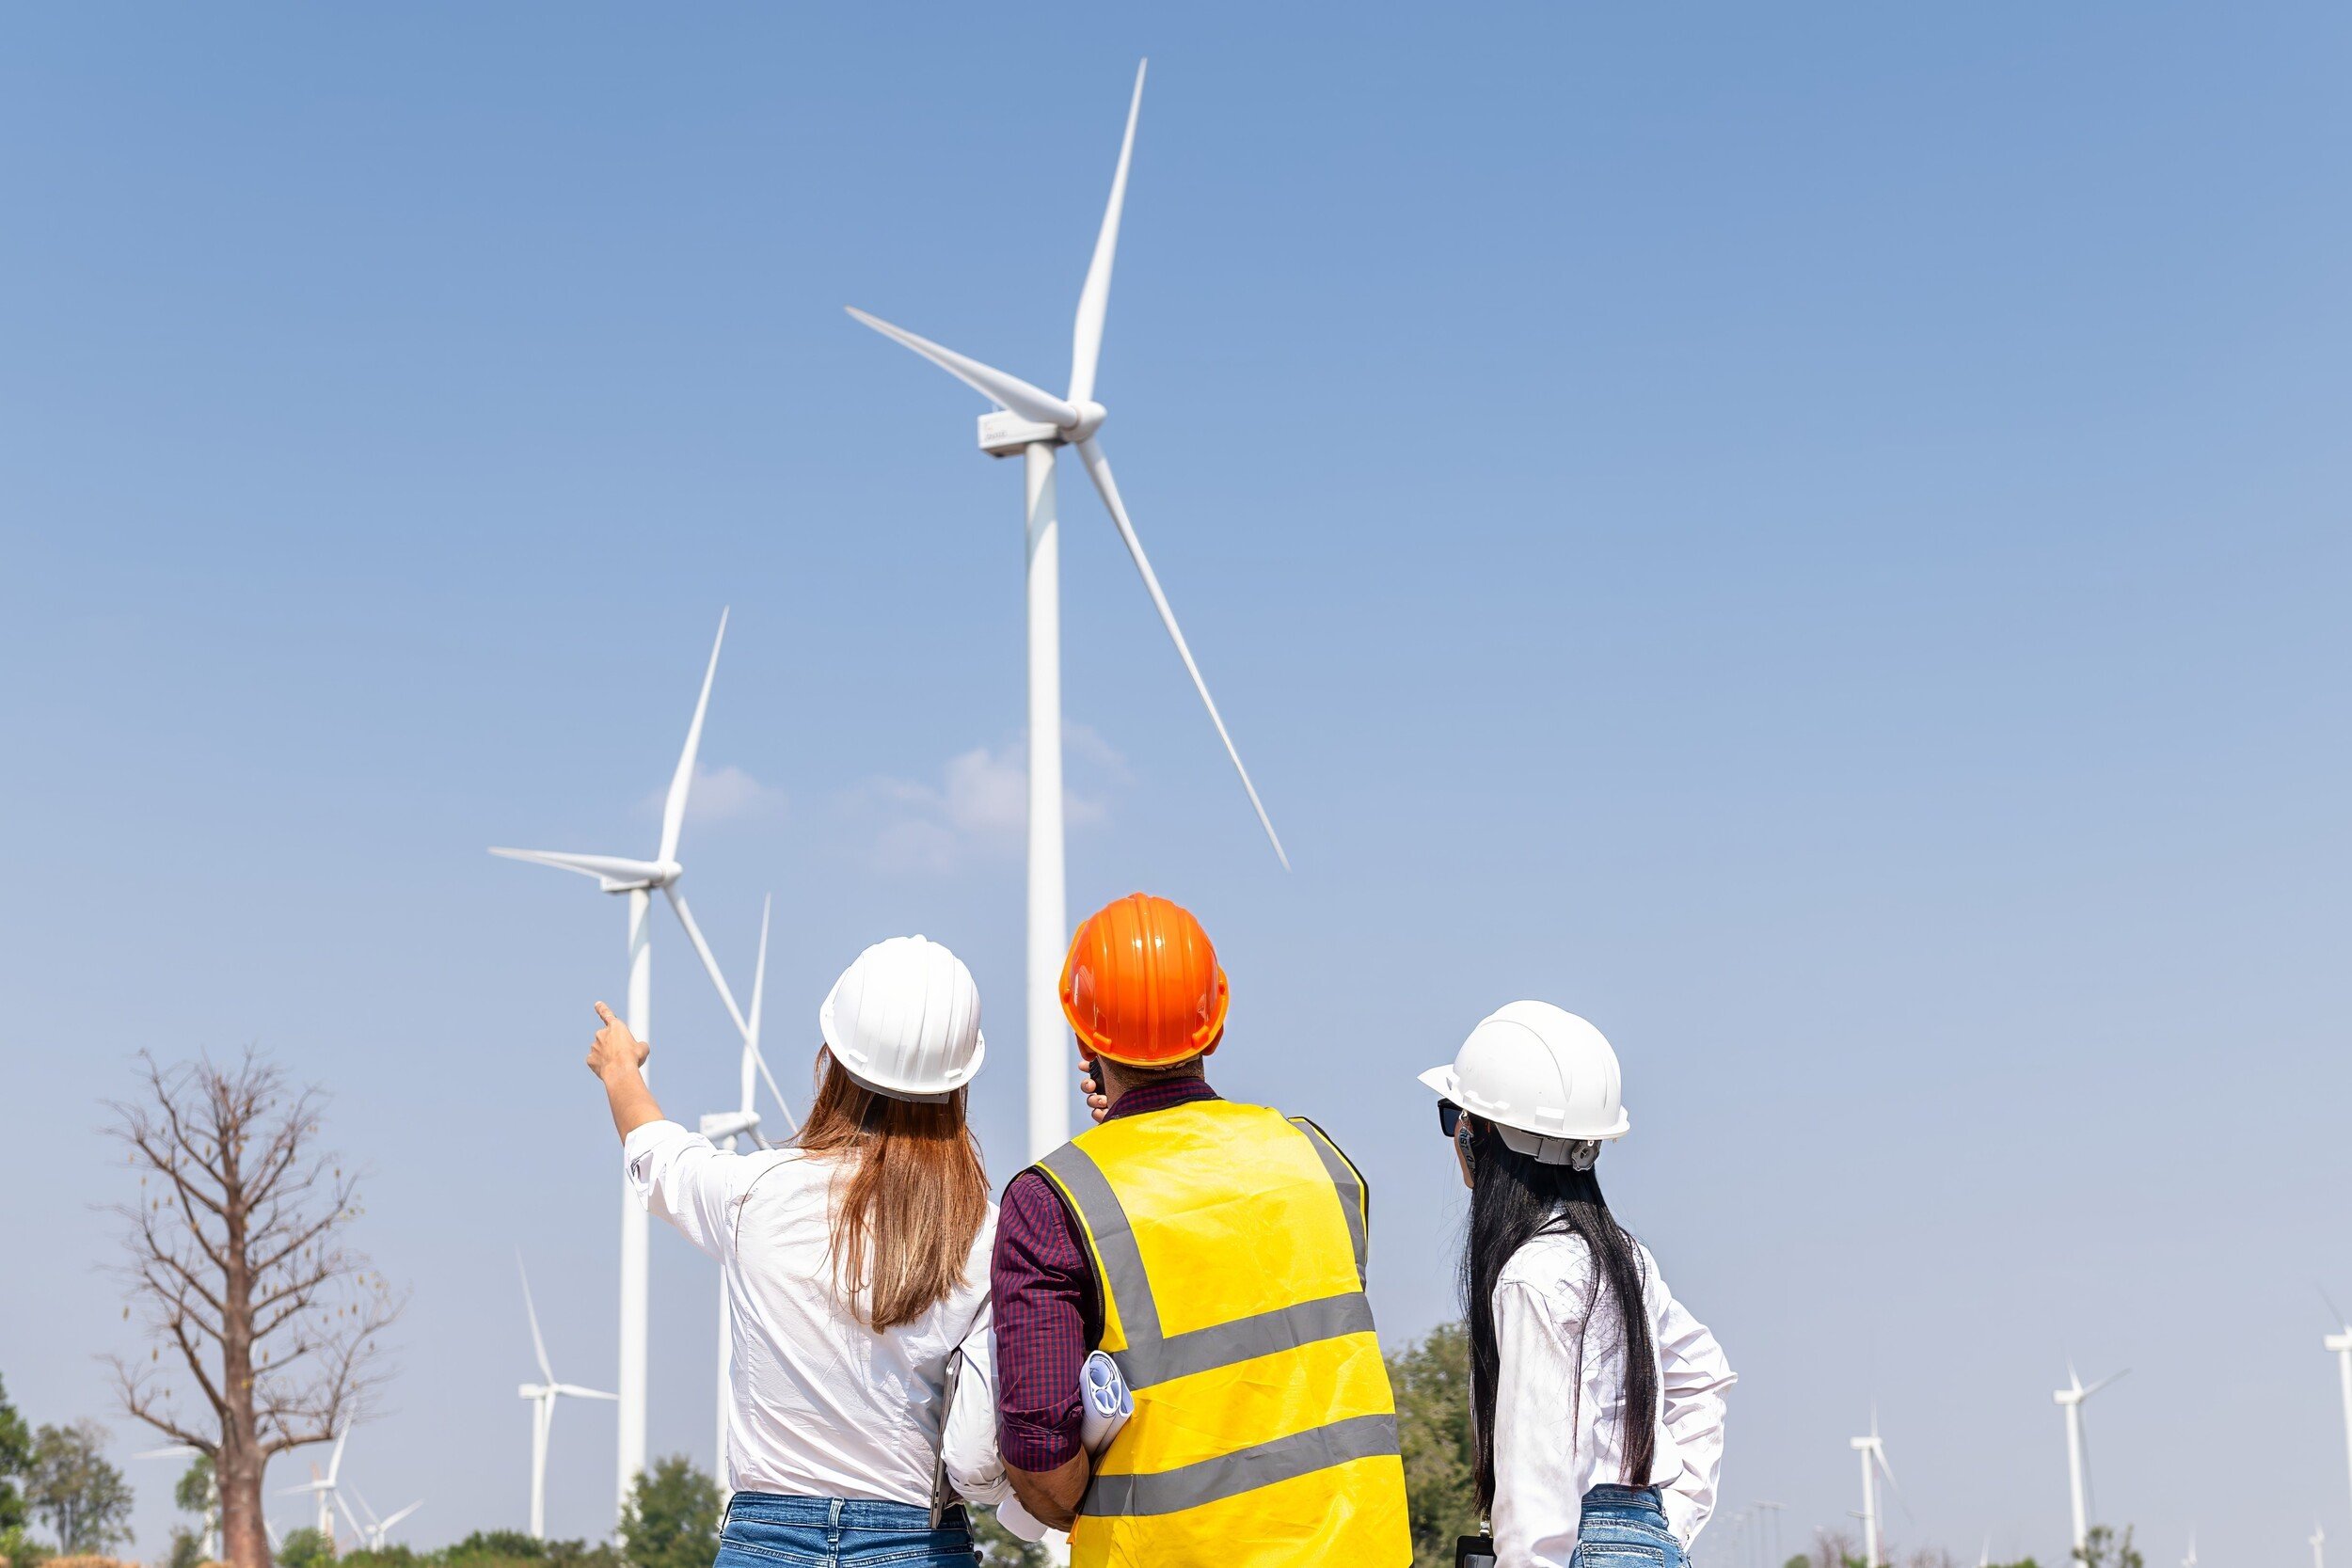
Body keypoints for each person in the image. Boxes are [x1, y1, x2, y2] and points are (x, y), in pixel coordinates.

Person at [991, 892, 1412, 1566]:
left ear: (1084, 1037)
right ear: (1213, 1025)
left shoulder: (1053, 1202)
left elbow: (1044, 1462)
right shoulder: (1319, 1160)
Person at [584, 934, 1010, 1568]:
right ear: (959, 1083)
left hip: (767, 1544)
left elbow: (657, 1155)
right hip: (916, 1543)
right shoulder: (987, 1234)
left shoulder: (753, 1192)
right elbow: (977, 1452)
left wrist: (620, 1069)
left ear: (831, 1059)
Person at [1419, 1002, 1735, 1568]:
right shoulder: (1626, 1260)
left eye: (1453, 1117)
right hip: (1651, 1544)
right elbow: (1704, 1373)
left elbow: (1536, 1503)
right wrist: (1662, 1528)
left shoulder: (1530, 1277)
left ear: (1475, 1134)